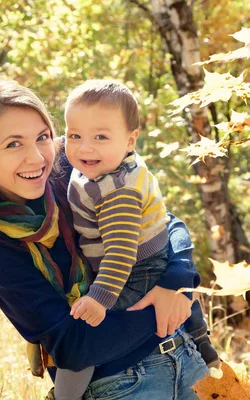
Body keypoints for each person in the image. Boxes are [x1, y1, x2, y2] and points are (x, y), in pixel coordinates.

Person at [0, 75, 208, 400]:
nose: (36, 158)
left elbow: (165, 224)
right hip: (123, 385)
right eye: (13, 143)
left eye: (43, 137)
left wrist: (174, 284)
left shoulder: (73, 166)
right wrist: (163, 308)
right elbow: (74, 345)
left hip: (186, 357)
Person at [62, 79, 219, 365]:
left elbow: (121, 255)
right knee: (180, 299)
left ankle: (68, 389)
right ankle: (202, 341)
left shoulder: (117, 193)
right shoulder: (112, 163)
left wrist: (99, 299)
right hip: (153, 250)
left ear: (130, 140)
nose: (85, 148)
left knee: (94, 324)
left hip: (136, 268)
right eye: (74, 136)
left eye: (100, 137)